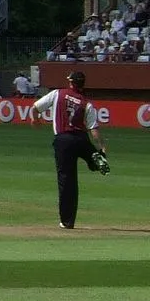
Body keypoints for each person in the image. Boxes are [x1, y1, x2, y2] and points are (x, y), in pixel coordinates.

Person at [30, 70, 111, 229]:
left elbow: (35, 108)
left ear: (71, 82)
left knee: (67, 180)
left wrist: (35, 119)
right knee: (92, 153)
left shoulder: (57, 94)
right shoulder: (86, 103)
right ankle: (96, 160)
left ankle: (67, 221)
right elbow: (94, 131)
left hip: (63, 141)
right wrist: (102, 147)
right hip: (81, 139)